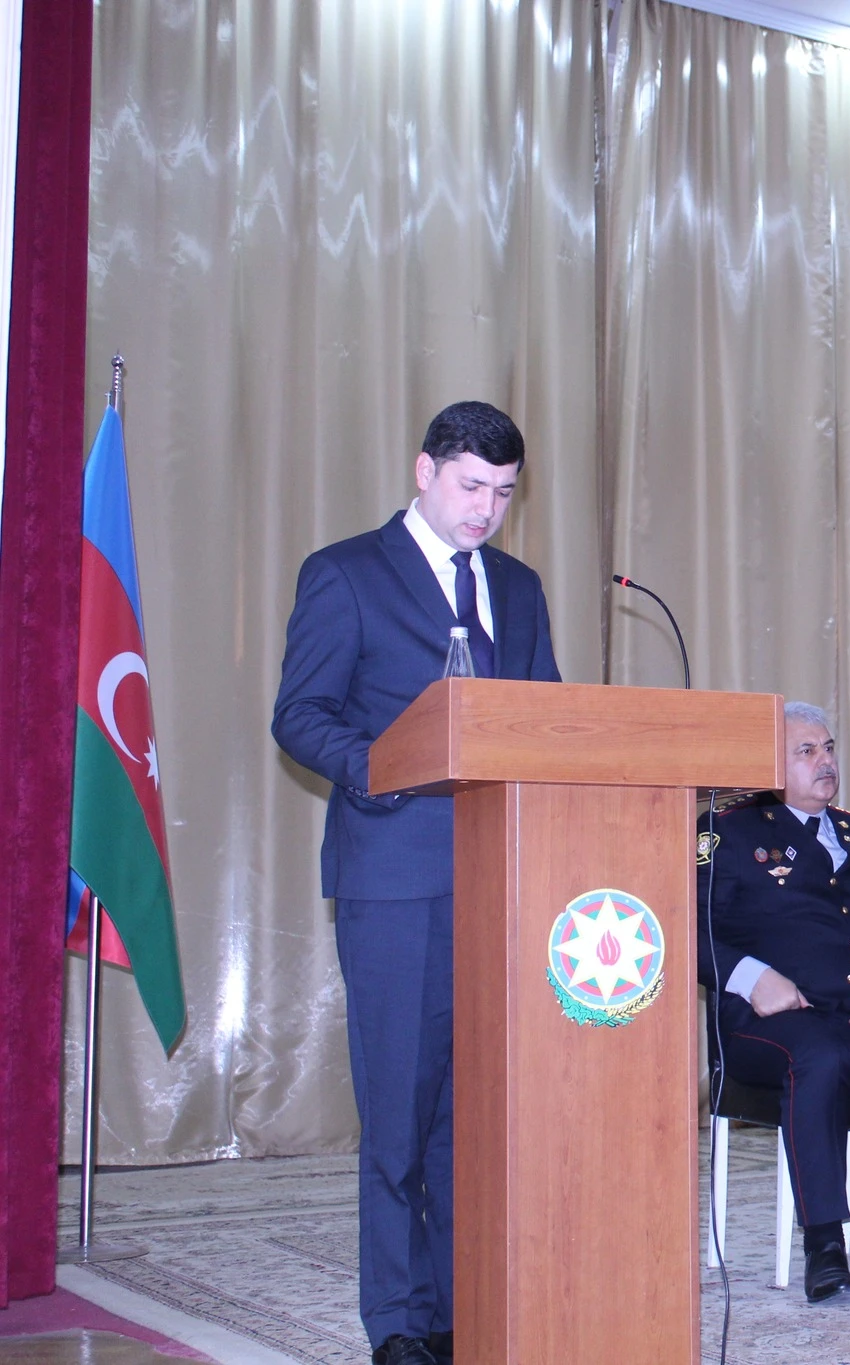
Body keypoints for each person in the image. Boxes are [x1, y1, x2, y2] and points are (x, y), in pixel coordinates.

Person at [272, 401, 561, 1365]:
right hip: (395, 880)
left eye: (504, 494)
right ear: (425, 470)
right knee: (398, 1114)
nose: (485, 510)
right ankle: (397, 1322)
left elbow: (544, 719)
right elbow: (300, 713)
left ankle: (457, 1308)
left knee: (471, 1118)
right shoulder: (347, 572)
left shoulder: (517, 587)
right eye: (471, 487)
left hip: (499, 880)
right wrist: (381, 765)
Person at [698, 702, 850, 1305]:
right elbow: (688, 926)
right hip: (767, 1024)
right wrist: (750, 977)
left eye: (829, 748)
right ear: (771, 763)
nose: (825, 762)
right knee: (819, 1055)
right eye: (806, 751)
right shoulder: (727, 830)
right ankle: (825, 1247)